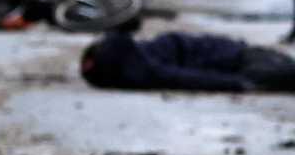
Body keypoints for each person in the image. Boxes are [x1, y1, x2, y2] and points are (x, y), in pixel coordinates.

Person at [79, 23, 295, 93]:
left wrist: (235, 84)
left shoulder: (140, 64)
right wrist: (236, 84)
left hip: (238, 58)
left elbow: (182, 77)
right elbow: (184, 77)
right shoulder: (143, 64)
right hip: (238, 58)